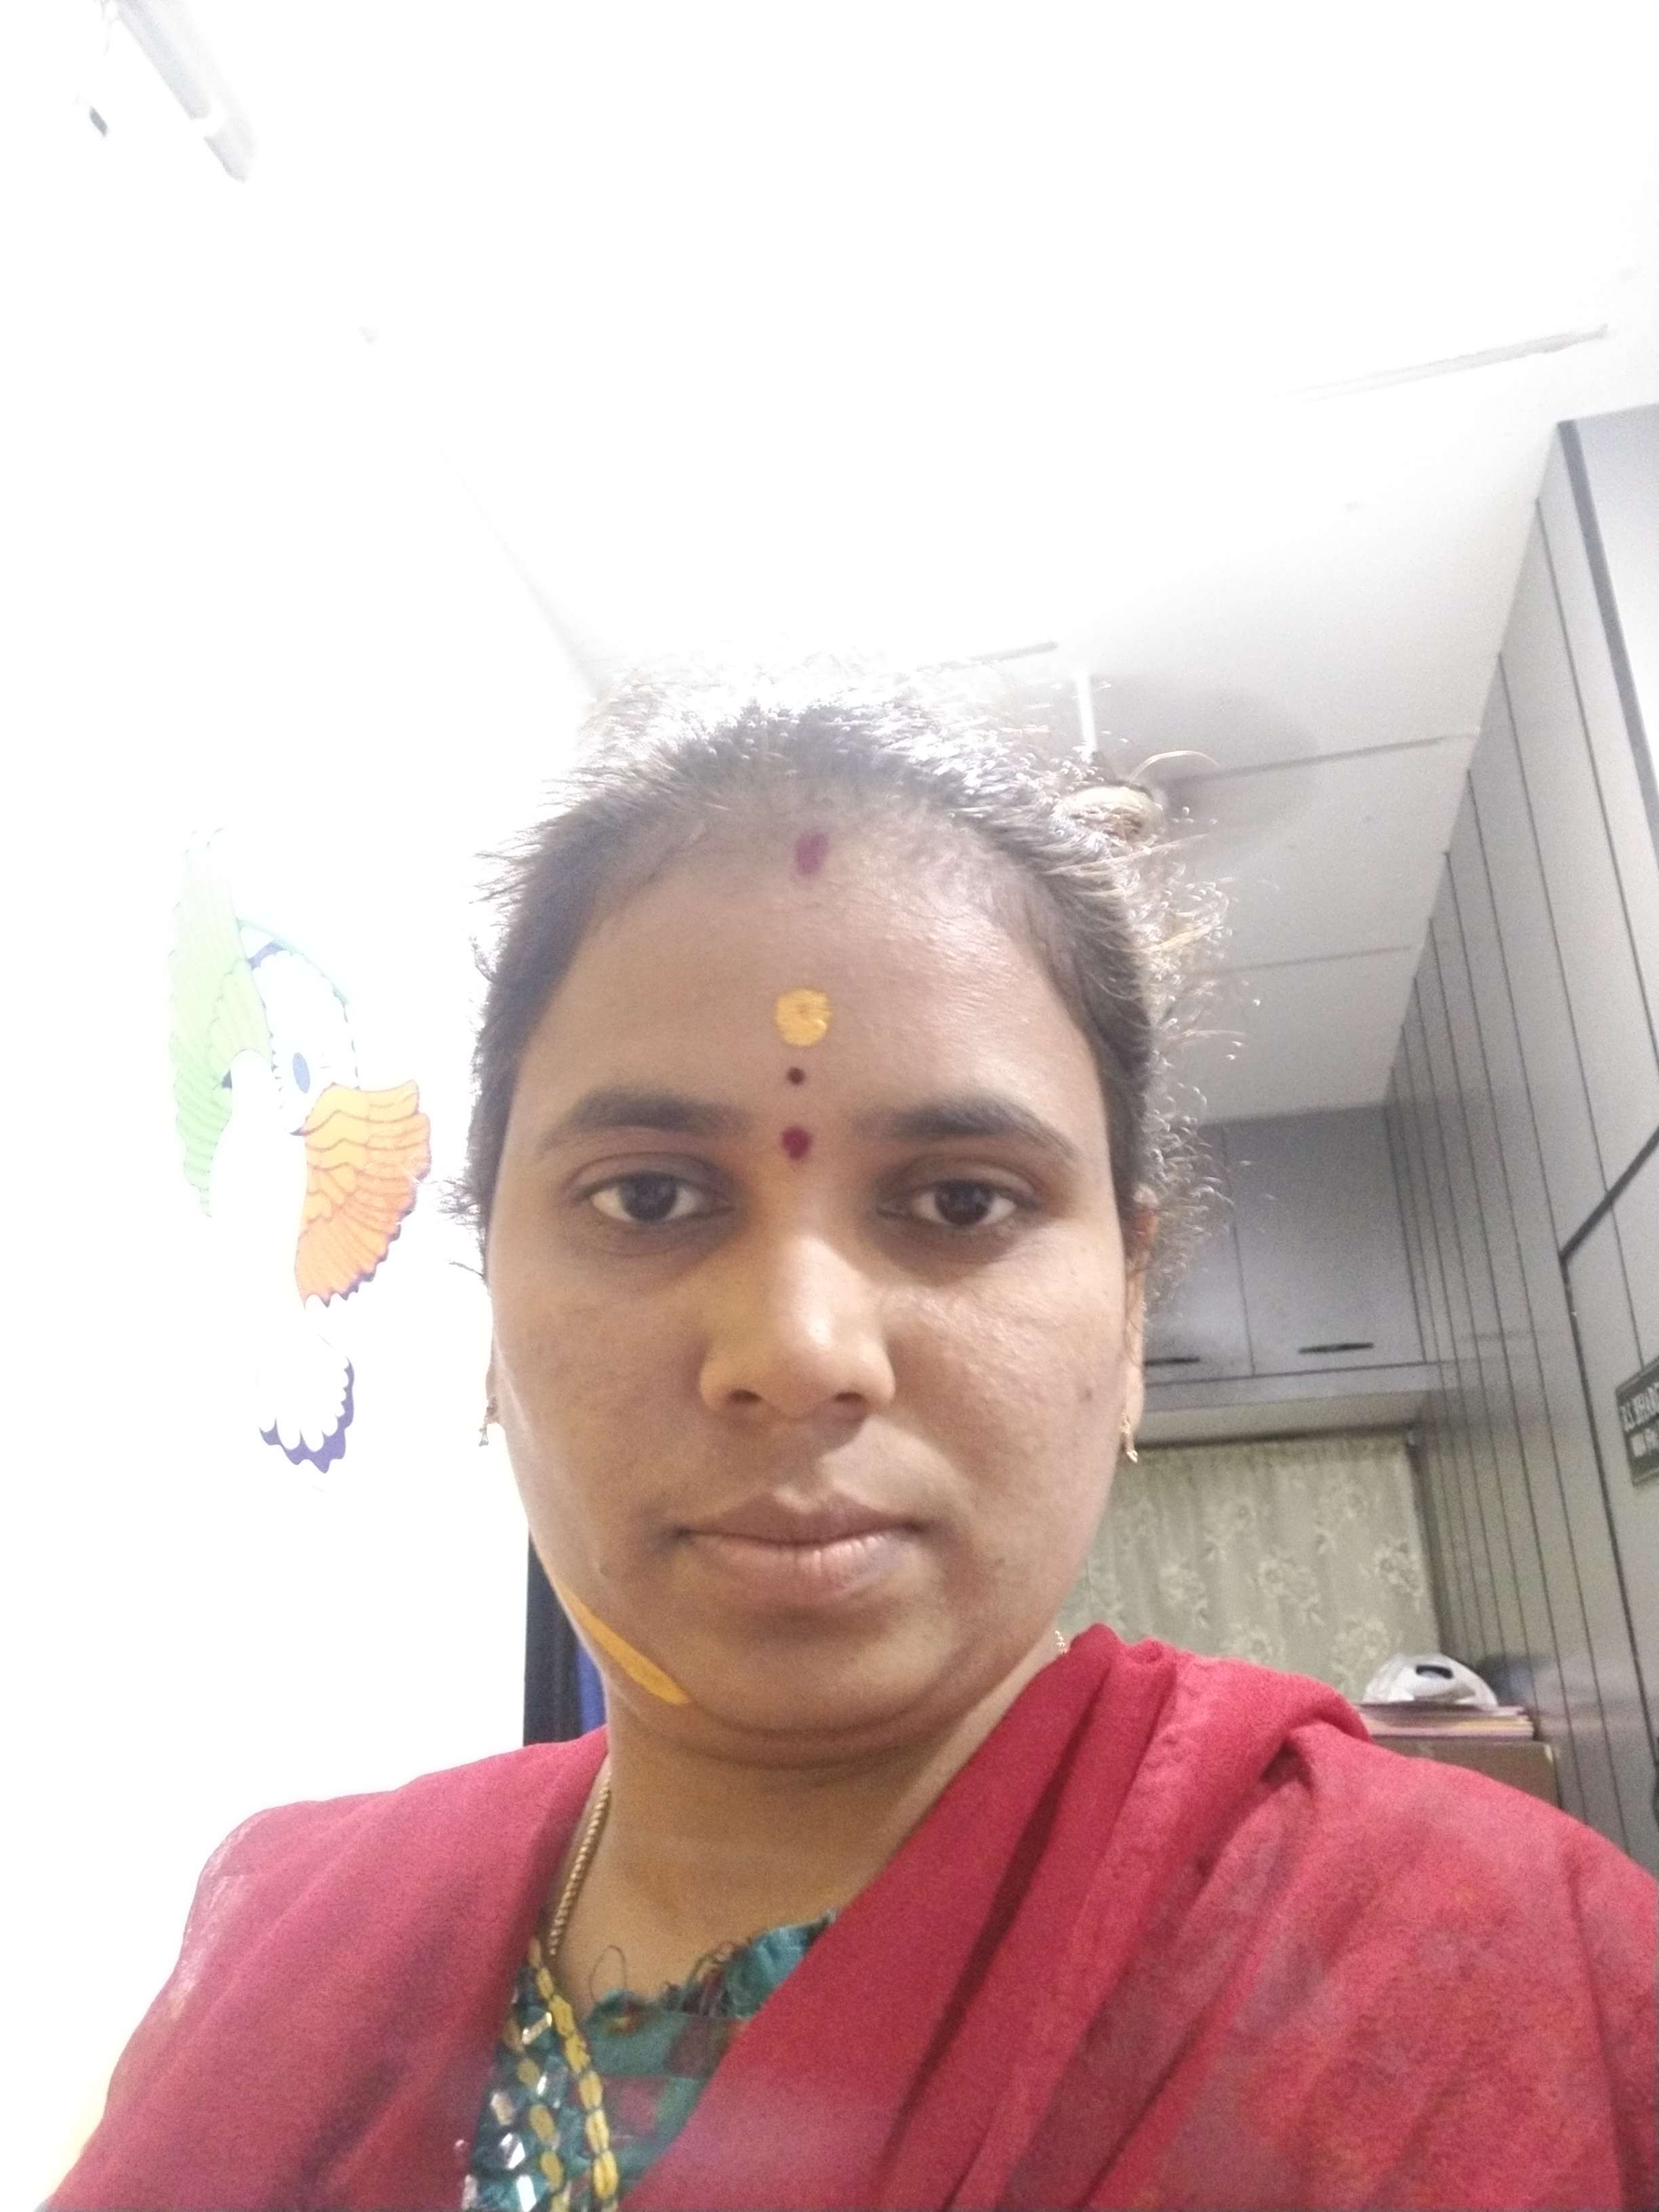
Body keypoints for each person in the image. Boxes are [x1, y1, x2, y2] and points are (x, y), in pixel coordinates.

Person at [52, 672, 1655, 2212]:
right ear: (488, 1309)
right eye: (648, 1196)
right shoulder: (288, 1937)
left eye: (960, 1201)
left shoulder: (1502, 1975)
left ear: (1125, 1316)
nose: (799, 1352)